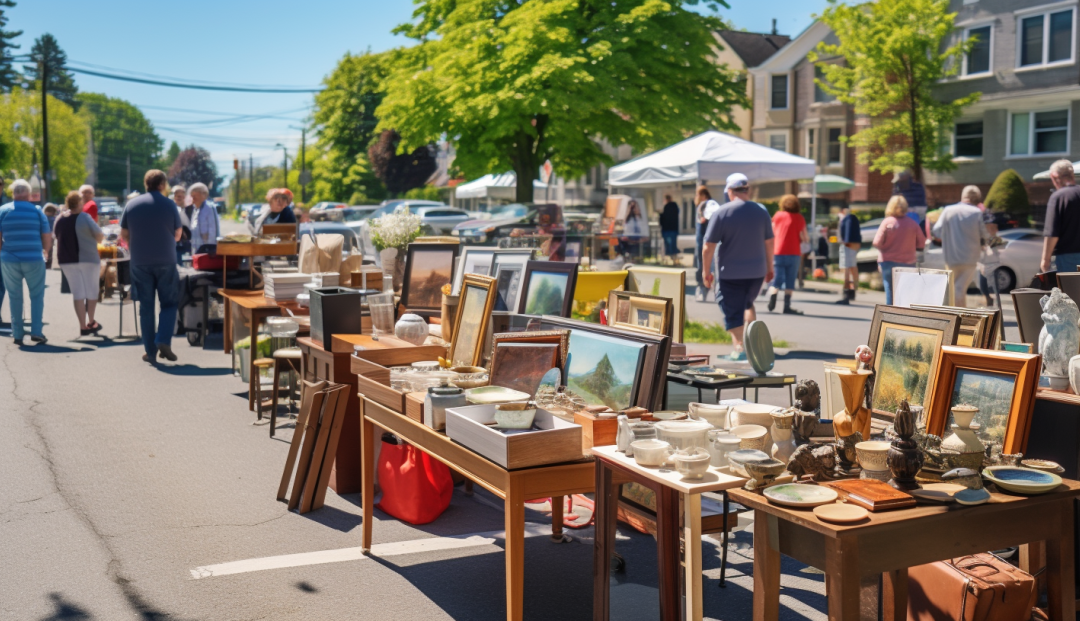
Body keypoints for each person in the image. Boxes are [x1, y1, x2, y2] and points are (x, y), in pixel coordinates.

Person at [701, 173, 774, 361]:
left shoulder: (722, 212)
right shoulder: (761, 211)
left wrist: (705, 271)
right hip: (757, 273)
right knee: (747, 304)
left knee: (732, 309)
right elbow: (769, 242)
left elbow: (708, 247)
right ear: (747, 190)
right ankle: (753, 345)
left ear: (730, 191)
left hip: (730, 273)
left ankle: (739, 348)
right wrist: (769, 267)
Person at [121, 170, 182, 364]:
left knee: (146, 307)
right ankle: (163, 339)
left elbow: (123, 233)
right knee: (169, 303)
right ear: (162, 185)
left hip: (139, 262)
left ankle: (150, 351)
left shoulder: (132, 205)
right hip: (166, 260)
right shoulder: (170, 204)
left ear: (146, 183)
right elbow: (178, 234)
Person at [0, 179, 51, 345]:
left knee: (14, 296)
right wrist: (46, 251)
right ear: (29, 195)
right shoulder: (37, 211)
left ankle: (17, 334)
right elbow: (46, 235)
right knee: (36, 295)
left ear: (13, 194)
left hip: (9, 259)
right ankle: (36, 331)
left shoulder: (3, 210)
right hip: (34, 258)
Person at [54, 190, 104, 335]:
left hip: (67, 260)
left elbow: (56, 235)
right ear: (80, 203)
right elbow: (99, 235)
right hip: (88, 258)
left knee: (78, 293)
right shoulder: (85, 217)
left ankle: (82, 326)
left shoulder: (60, 219)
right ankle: (91, 321)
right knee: (92, 290)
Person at [932, 185, 989, 307]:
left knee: (953, 287)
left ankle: (954, 315)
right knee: (960, 287)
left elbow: (936, 230)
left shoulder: (948, 210)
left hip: (951, 257)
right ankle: (960, 315)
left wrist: (948, 236)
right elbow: (985, 234)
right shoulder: (977, 212)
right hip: (971, 258)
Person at [872, 195, 926, 305]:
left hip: (888, 261)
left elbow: (876, 242)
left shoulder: (887, 222)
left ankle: (889, 317)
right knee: (905, 293)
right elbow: (921, 243)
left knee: (890, 292)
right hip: (908, 262)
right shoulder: (913, 224)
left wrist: (886, 247)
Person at [766, 194, 808, 315]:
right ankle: (787, 306)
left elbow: (771, 233)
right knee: (790, 279)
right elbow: (805, 237)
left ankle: (773, 298)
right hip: (794, 252)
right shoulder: (799, 218)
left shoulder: (777, 216)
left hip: (778, 251)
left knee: (777, 278)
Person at [1041, 159, 1080, 273]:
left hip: (1067, 257)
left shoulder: (1058, 197)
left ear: (1054, 177)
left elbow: (1052, 233)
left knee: (1069, 290)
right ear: (1072, 175)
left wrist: (1045, 260)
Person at [693, 185, 722, 302]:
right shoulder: (705, 205)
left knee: (705, 266)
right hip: (703, 240)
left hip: (705, 241)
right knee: (707, 266)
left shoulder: (709, 205)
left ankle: (705, 289)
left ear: (702, 195)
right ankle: (707, 289)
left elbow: (708, 220)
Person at [835, 205, 860, 305]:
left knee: (846, 269)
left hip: (847, 245)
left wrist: (845, 242)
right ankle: (852, 292)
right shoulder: (852, 218)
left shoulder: (847, 219)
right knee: (852, 268)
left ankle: (846, 294)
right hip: (852, 245)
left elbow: (844, 235)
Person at [189, 183, 219, 254]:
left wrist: (210, 249)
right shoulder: (195, 209)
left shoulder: (209, 208)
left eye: (195, 196)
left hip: (207, 250)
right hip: (196, 249)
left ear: (204, 195)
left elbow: (213, 230)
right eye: (192, 196)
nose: (193, 199)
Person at [173, 185, 193, 265]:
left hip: (190, 242)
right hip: (177, 243)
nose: (178, 198)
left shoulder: (191, 209)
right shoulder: (172, 208)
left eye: (180, 196)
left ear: (184, 196)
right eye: (177, 195)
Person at [659, 194, 680, 265]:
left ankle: (669, 260)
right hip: (674, 229)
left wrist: (660, 215)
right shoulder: (675, 206)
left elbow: (663, 219)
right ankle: (674, 260)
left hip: (666, 229)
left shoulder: (666, 207)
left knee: (668, 245)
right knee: (673, 245)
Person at [42, 203, 58, 269]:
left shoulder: (42, 218)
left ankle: (43, 264)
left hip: (42, 236)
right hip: (51, 237)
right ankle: (48, 265)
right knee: (50, 251)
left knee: (42, 250)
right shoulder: (54, 219)